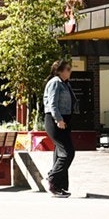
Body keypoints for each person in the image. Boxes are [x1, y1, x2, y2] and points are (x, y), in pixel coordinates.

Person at [43, 58, 75, 197]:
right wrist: (59, 119)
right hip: (55, 120)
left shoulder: (65, 83)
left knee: (59, 153)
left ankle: (58, 187)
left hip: (64, 121)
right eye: (68, 69)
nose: (70, 71)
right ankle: (52, 178)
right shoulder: (55, 82)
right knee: (68, 152)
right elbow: (52, 104)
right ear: (60, 71)